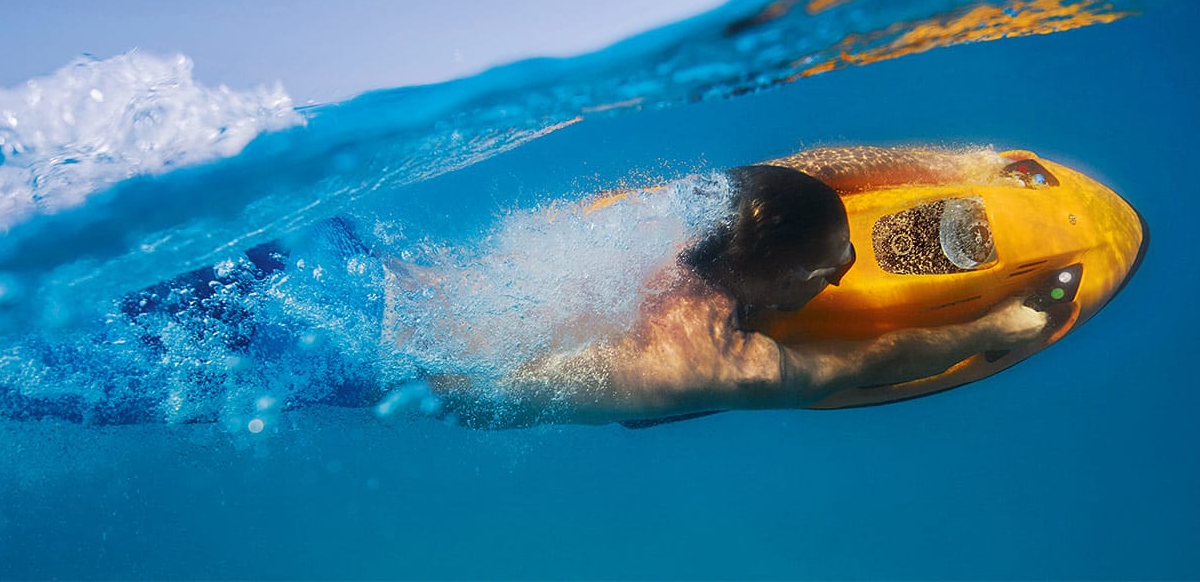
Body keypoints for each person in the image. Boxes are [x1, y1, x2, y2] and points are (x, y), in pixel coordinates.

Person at [405, 164, 1050, 429]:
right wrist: (993, 328)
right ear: (786, 280)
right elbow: (872, 362)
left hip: (380, 276)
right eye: (830, 270)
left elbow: (785, 172)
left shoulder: (677, 220)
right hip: (381, 373)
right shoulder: (724, 363)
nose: (846, 273)